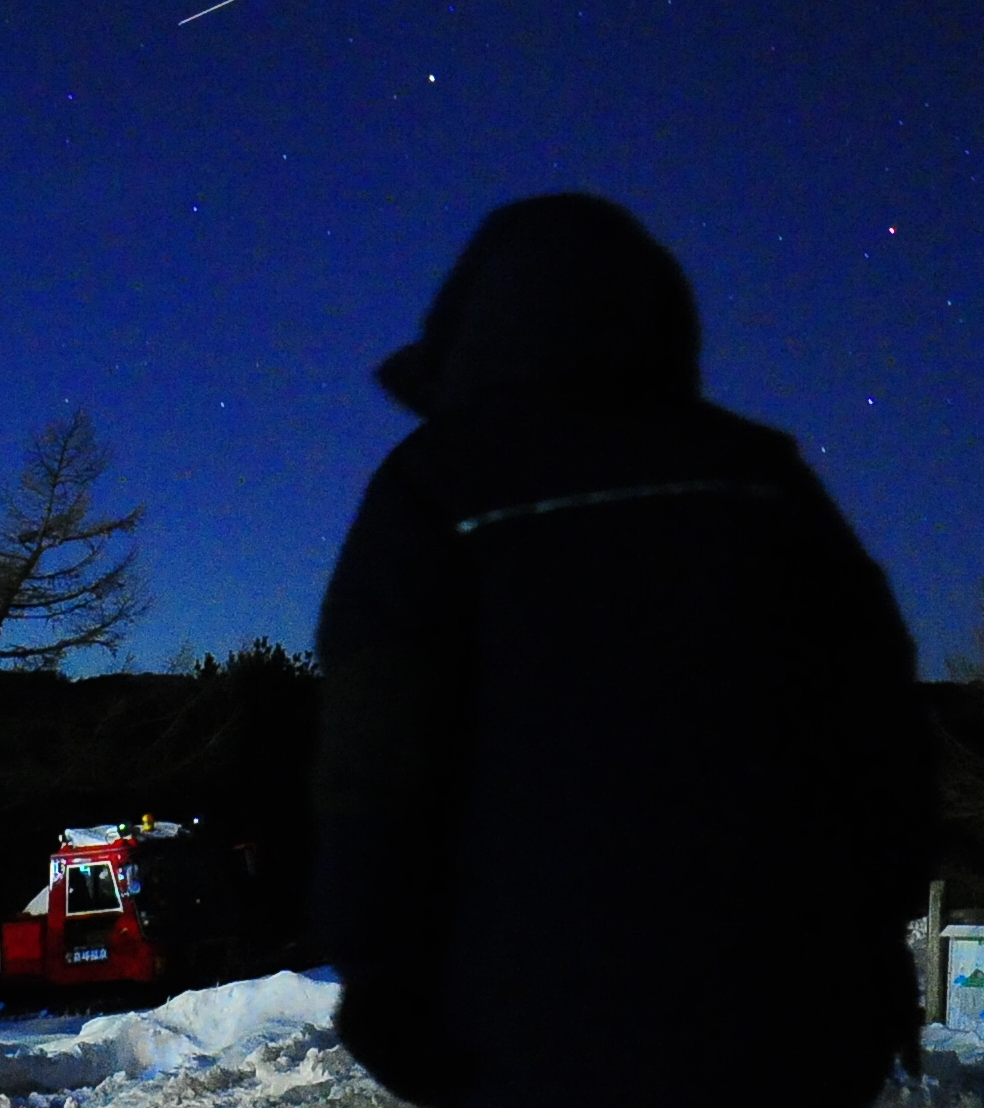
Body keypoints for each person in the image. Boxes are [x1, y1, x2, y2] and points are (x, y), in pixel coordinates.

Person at [314, 193, 934, 1108]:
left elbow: (376, 761)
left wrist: (379, 976)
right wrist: (875, 943)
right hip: (789, 1005)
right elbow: (878, 731)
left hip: (530, 1016)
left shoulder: (434, 486)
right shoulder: (761, 477)